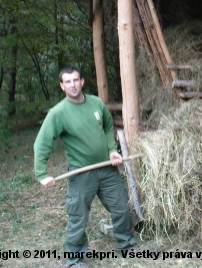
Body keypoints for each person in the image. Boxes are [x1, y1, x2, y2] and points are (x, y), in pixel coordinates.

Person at [34, 67, 136, 268]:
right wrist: (42, 173)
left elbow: (108, 127)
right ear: (62, 86)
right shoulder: (58, 113)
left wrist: (111, 150)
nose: (72, 85)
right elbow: (42, 143)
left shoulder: (96, 103)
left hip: (107, 169)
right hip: (81, 174)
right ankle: (74, 260)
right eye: (67, 82)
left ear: (82, 81)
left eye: (75, 80)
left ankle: (127, 245)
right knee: (78, 216)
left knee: (122, 207)